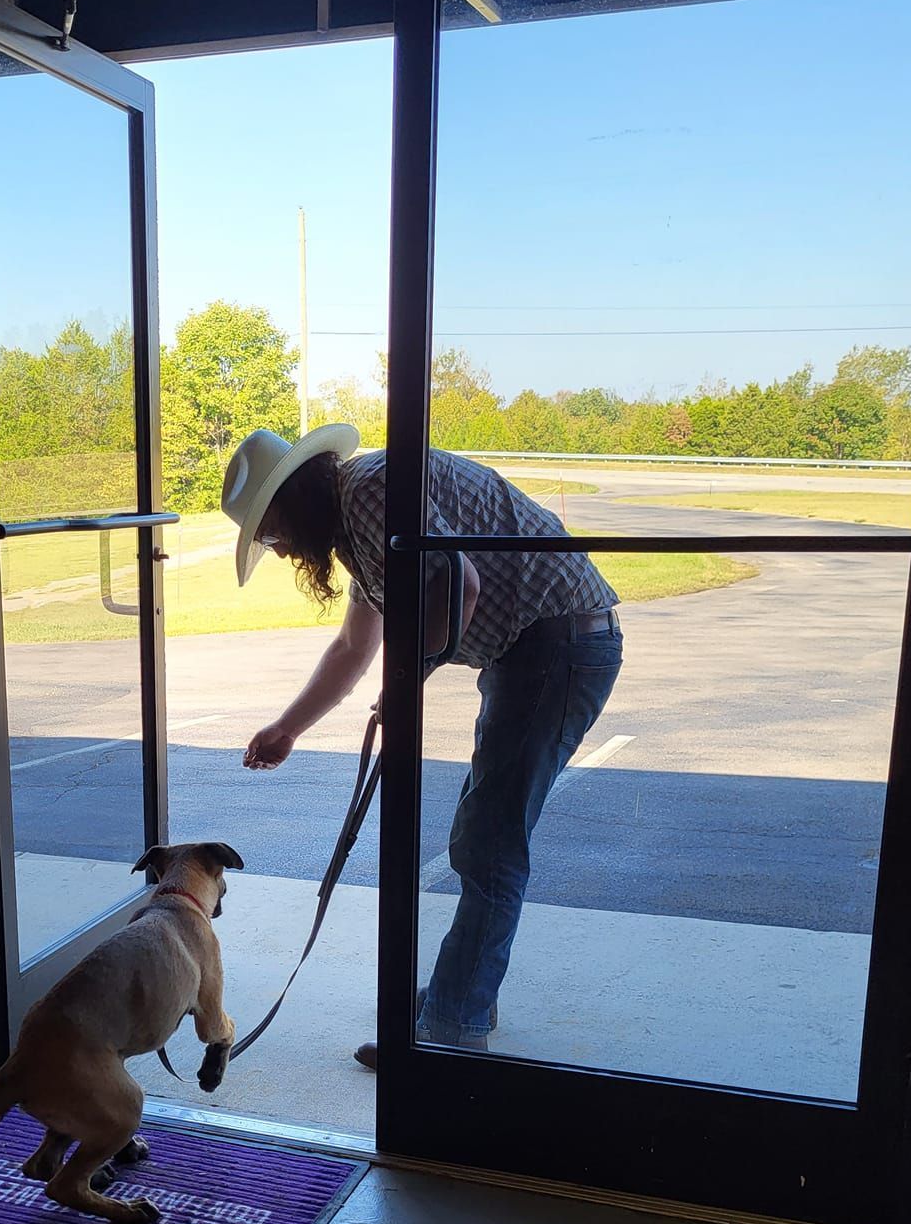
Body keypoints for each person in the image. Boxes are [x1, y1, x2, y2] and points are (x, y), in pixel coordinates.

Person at [221, 424, 622, 1067]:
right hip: (533, 649)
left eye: (273, 533)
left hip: (560, 642)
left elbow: (457, 585)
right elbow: (356, 646)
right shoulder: (357, 523)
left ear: (294, 502)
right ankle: (463, 997)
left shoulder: (375, 490)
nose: (283, 550)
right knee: (482, 835)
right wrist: (288, 728)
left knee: (490, 844)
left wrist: (410, 682)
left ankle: (450, 1032)